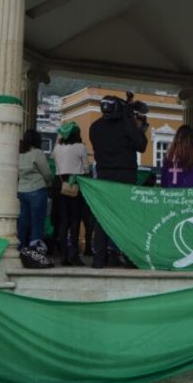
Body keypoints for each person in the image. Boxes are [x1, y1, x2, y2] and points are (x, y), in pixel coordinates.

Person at [89, 94, 149, 268]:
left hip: (103, 177)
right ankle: (129, 258)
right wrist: (134, 122)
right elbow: (141, 145)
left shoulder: (95, 127)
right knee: (127, 218)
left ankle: (99, 259)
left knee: (102, 218)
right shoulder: (126, 125)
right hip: (125, 176)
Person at [52, 122, 88, 266]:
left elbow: (55, 164)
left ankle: (63, 255)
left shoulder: (57, 148)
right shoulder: (81, 147)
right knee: (75, 220)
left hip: (60, 184)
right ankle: (74, 254)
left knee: (63, 221)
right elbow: (86, 168)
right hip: (75, 185)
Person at [17, 129, 53, 252]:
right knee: (37, 221)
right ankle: (34, 248)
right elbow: (47, 173)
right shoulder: (37, 153)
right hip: (37, 189)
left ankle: (20, 246)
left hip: (21, 190)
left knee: (22, 221)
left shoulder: (18, 153)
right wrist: (49, 183)